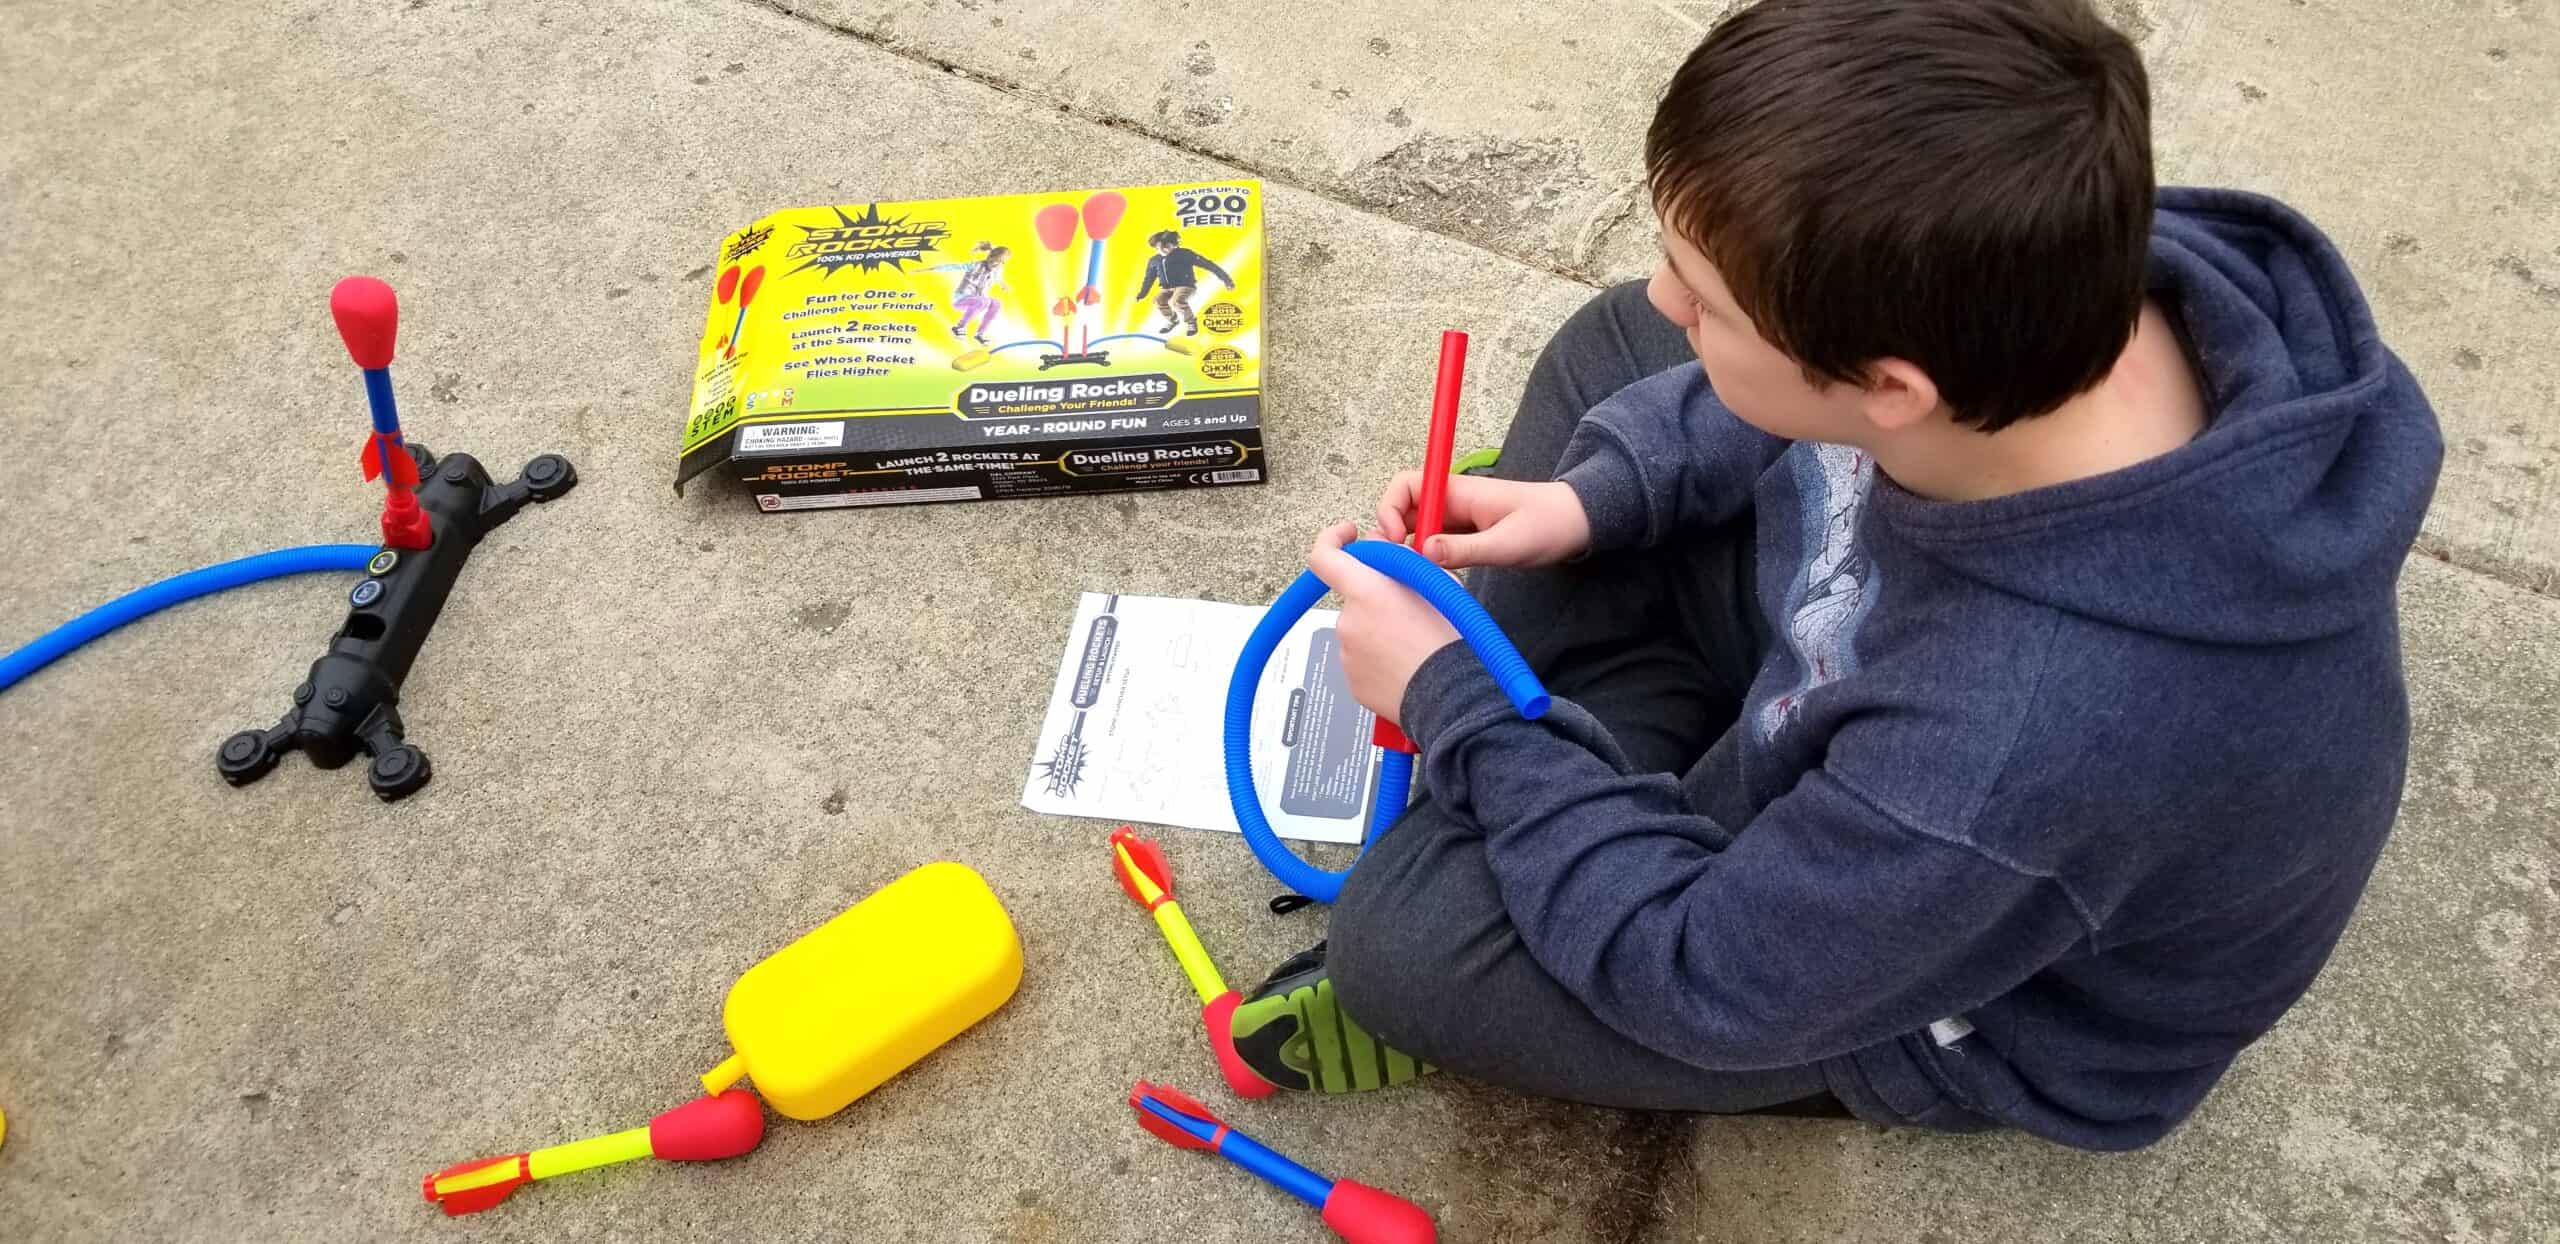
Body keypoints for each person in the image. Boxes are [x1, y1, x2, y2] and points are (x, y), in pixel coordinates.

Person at [1221, 0, 2443, 1152]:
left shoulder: (2015, 745)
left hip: (1916, 973)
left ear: (1888, 389)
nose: (1669, 294)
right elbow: (1710, 378)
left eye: (1703, 296)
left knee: (1402, 949)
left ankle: (1581, 813)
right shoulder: (2065, 265)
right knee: (1617, 350)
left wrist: (1455, 705)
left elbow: (1710, 979)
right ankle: (1604, 796)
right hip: (1869, 713)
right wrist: (1593, 498)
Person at [1134, 230, 1234, 336]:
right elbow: (1149, 278)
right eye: (1159, 248)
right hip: (1166, 288)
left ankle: (1191, 322)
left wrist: (1227, 280)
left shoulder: (1185, 254)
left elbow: (1208, 265)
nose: (1163, 250)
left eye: (1166, 246)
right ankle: (1172, 320)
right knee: (1157, 301)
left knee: (1175, 301)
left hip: (1185, 286)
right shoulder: (1154, 260)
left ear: (1174, 244)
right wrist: (1142, 294)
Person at [933, 242, 1010, 344]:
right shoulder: (976, 265)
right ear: (990, 257)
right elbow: (955, 266)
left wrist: (1002, 284)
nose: (997, 265)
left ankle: (980, 334)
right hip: (961, 299)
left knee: (996, 303)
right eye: (996, 261)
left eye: (1002, 262)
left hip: (978, 300)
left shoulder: (998, 269)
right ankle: (959, 327)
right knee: (984, 301)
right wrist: (934, 268)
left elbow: (998, 277)